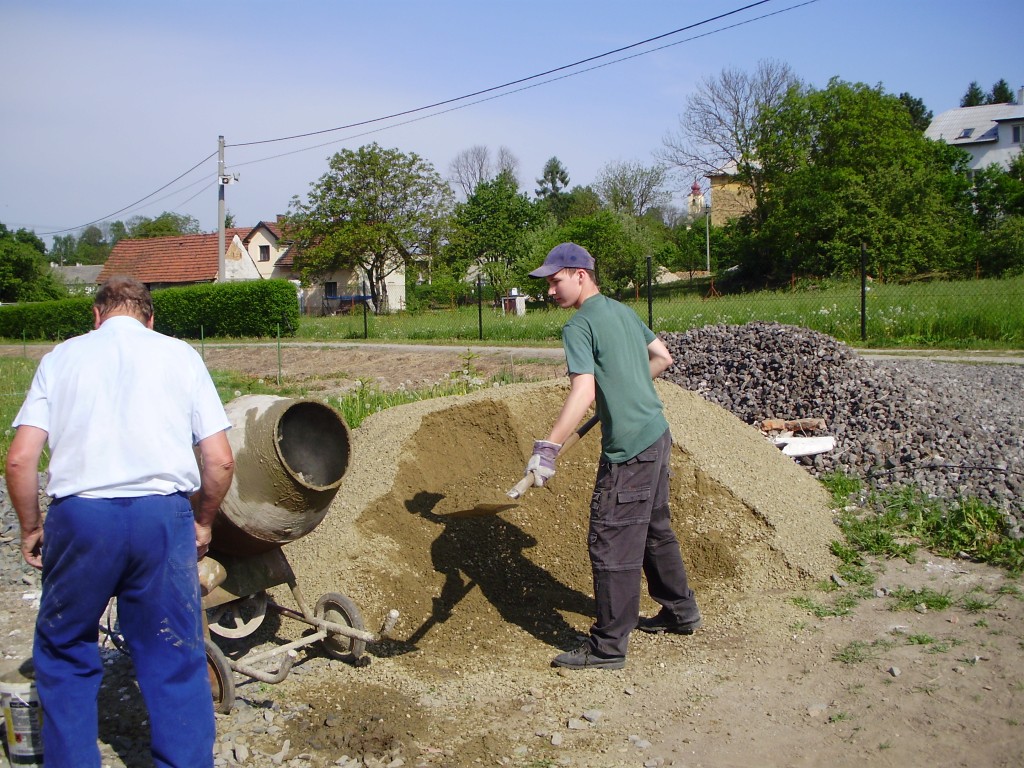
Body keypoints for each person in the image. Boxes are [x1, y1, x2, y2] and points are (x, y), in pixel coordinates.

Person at [5, 276, 235, 768]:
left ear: (96, 315)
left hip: (82, 516)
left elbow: (21, 461)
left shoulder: (61, 359)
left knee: (66, 648)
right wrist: (203, 521)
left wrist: (31, 527)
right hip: (161, 517)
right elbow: (219, 461)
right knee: (174, 651)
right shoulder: (180, 356)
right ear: (150, 318)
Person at [523, 243, 701, 670]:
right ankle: (680, 612)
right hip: (657, 435)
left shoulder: (579, 325)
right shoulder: (623, 312)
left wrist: (548, 446)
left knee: (611, 538)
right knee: (655, 531)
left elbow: (582, 391)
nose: (549, 290)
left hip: (630, 451)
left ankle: (607, 647)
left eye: (555, 280)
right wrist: (623, 386)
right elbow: (661, 358)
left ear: (580, 274)